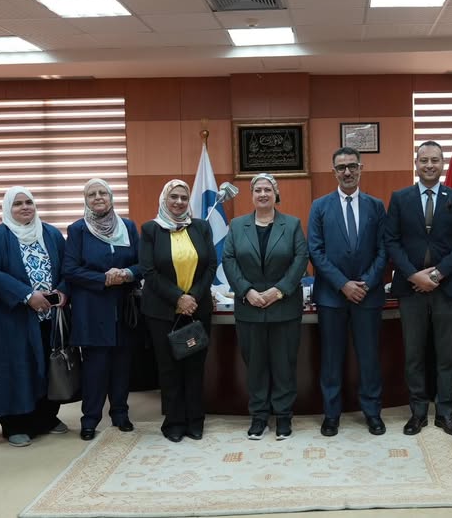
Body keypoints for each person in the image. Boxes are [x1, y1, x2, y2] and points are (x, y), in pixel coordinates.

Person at [386, 141, 452, 437]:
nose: (429, 165)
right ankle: (418, 412)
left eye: (434, 160)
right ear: (416, 163)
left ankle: (445, 413)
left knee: (446, 354)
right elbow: (391, 241)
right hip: (411, 289)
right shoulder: (400, 198)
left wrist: (436, 275)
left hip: (446, 289)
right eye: (423, 160)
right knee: (414, 354)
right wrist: (413, 275)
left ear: (442, 164)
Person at [0, 187, 69, 448]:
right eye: (17, 204)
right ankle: (15, 425)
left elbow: (68, 267)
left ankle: (46, 418)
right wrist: (26, 295)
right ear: (8, 208)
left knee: (49, 367)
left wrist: (63, 291)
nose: (25, 207)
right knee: (16, 368)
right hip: (11, 319)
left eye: (29, 202)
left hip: (49, 316)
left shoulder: (50, 233)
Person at [308, 147, 388, 437]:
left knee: (369, 357)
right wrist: (343, 284)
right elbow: (315, 251)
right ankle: (331, 415)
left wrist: (365, 283)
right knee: (331, 358)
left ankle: (372, 412)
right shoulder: (320, 206)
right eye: (341, 167)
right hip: (332, 296)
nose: (347, 172)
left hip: (368, 295)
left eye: (352, 166)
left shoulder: (376, 206)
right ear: (334, 172)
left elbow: (384, 249)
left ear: (361, 168)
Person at [223, 173, 308, 440]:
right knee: (256, 366)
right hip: (249, 308)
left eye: (267, 190)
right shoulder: (237, 225)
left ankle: (283, 416)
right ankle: (259, 416)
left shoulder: (292, 224)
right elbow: (228, 260)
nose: (262, 194)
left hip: (284, 308)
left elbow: (301, 258)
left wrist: (279, 290)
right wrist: (247, 291)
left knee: (284, 365)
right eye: (257, 190)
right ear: (252, 195)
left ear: (275, 193)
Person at [139, 179, 216, 443]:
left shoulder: (201, 227)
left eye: (184, 197)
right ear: (164, 199)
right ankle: (174, 422)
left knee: (195, 367)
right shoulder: (151, 229)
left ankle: (195, 421)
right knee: (169, 368)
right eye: (174, 197)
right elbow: (149, 271)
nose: (179, 202)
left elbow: (210, 266)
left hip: (197, 309)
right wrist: (178, 298)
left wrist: (192, 297)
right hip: (162, 312)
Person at [64, 179, 141, 441]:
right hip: (92, 308)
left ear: (111, 197)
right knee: (95, 368)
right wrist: (103, 279)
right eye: (91, 194)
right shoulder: (78, 229)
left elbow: (143, 264)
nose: (98, 197)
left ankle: (120, 414)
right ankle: (90, 419)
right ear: (85, 200)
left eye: (102, 193)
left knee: (122, 365)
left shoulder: (127, 227)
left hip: (124, 308)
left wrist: (127, 273)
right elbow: (70, 270)